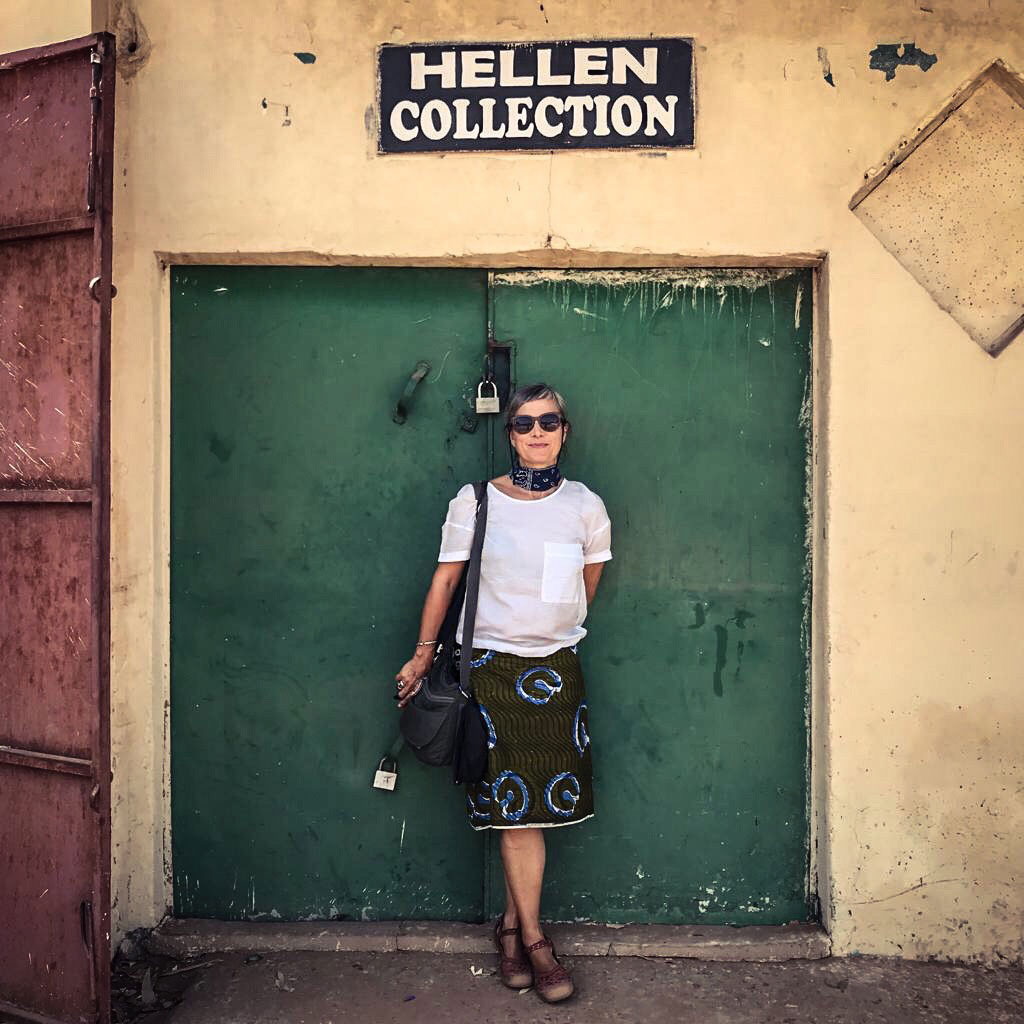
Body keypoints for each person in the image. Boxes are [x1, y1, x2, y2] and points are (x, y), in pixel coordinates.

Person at [394, 383, 612, 1004]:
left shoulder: (585, 506)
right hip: (488, 672)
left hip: (556, 674)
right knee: (516, 814)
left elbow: (586, 585)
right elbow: (446, 580)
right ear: (509, 432)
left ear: (565, 431)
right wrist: (422, 652)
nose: (537, 432)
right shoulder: (477, 501)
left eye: (549, 421)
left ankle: (511, 927)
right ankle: (538, 941)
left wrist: (548, 633)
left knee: (538, 809)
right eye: (524, 423)